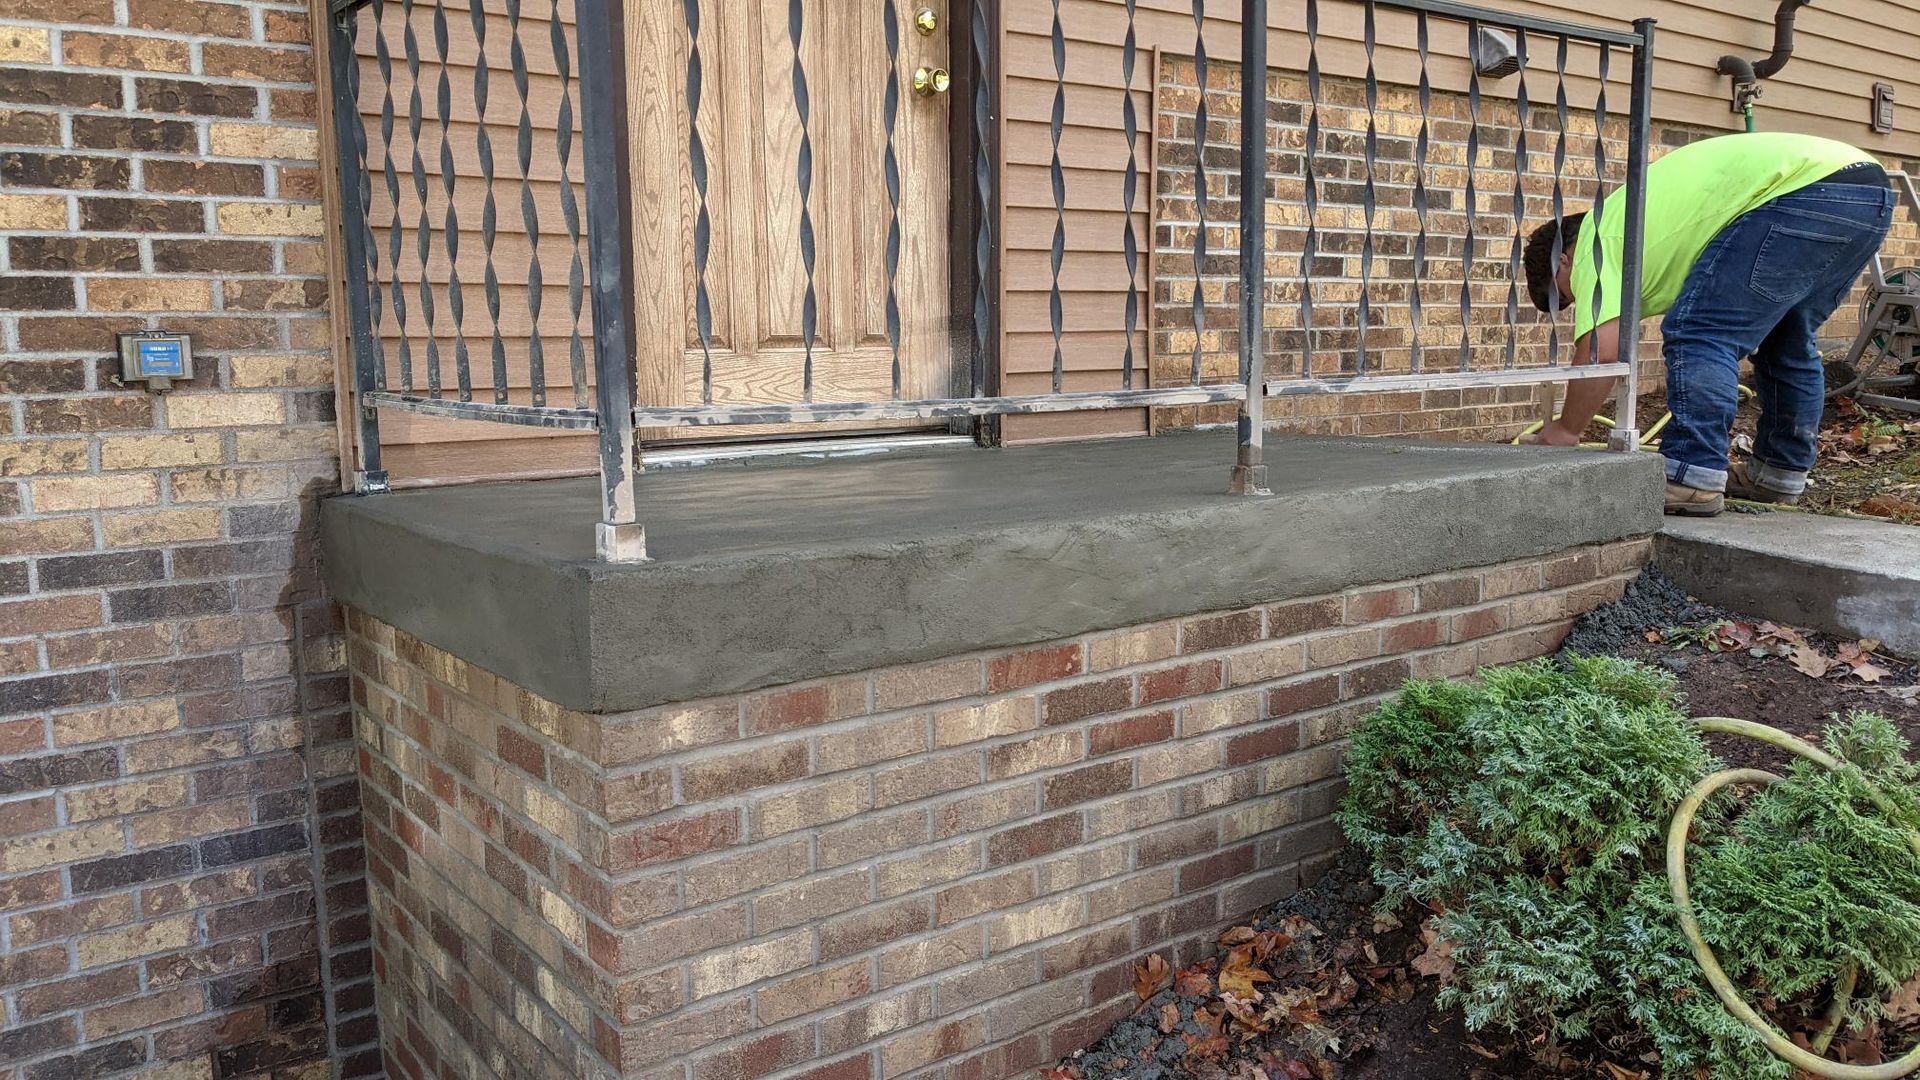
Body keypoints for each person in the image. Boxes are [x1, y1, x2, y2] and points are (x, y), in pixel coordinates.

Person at [1521, 131, 1893, 516]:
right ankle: (1777, 472)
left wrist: (1566, 431)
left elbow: (1601, 350)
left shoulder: (1593, 242)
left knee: (1700, 331)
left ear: (1561, 261)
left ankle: (1690, 475)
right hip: (1865, 191)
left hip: (1802, 190)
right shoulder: (1631, 223)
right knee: (1787, 337)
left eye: (1566, 295)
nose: (1581, 300)